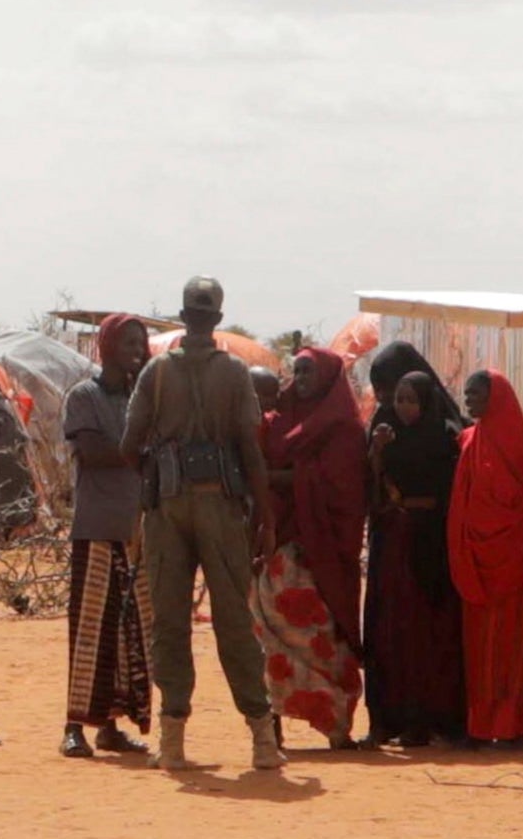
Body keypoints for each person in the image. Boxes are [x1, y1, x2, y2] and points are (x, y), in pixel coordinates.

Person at [122, 277, 284, 770]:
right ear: (215, 318)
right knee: (235, 620)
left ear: (183, 315)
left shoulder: (156, 372)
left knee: (170, 622)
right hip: (220, 505)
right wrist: (266, 514)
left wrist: (156, 472)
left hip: (167, 508)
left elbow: (130, 445)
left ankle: (172, 743)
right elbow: (250, 448)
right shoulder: (235, 372)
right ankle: (260, 738)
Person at [257, 342, 369, 750]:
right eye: (297, 371)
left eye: (308, 372)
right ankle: (271, 725)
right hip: (278, 545)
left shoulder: (343, 428)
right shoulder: (279, 418)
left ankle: (337, 725)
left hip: (320, 552)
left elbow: (344, 490)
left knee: (324, 636)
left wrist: (278, 477)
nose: (300, 380)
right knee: (273, 637)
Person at [59, 315, 155, 759]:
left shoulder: (143, 397)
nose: (137, 349)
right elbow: (93, 453)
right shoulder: (85, 396)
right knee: (89, 631)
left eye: (141, 342)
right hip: (97, 528)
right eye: (129, 341)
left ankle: (111, 726)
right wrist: (139, 448)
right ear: (109, 345)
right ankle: (73, 725)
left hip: (135, 530)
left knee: (127, 634)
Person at [449, 366, 523, 748]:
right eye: (467, 394)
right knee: (481, 655)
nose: (469, 400)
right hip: (478, 570)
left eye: (476, 394)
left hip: (517, 572)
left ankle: (514, 729)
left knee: (513, 654)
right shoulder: (468, 442)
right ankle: (481, 727)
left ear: (496, 399)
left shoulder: (515, 448)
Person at [362, 347, 468, 748]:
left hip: (431, 548)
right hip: (392, 543)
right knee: (390, 631)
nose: (391, 400)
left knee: (428, 632)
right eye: (388, 393)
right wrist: (376, 450)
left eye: (400, 394)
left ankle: (431, 719)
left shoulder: (447, 434)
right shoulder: (383, 426)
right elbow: (370, 482)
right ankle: (389, 718)